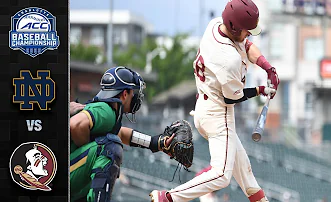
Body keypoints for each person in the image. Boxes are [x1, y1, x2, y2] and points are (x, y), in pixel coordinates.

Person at [150, 0, 279, 202]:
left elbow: (246, 44)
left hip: (204, 108)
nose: (250, 34)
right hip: (219, 114)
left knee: (246, 174)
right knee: (221, 176)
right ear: (235, 27)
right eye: (247, 30)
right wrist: (260, 90)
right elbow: (231, 97)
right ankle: (168, 198)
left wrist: (267, 67)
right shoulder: (228, 58)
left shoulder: (216, 24)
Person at [69, 66, 189, 202]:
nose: (135, 96)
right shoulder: (105, 110)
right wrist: (88, 148)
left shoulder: (107, 112)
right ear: (125, 94)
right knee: (109, 148)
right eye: (133, 93)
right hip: (62, 174)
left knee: (108, 144)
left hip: (65, 173)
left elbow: (121, 133)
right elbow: (75, 125)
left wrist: (156, 143)